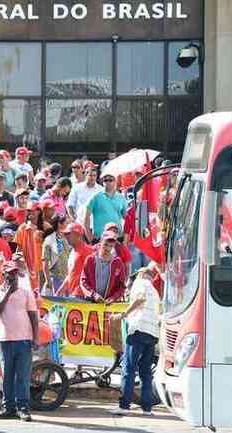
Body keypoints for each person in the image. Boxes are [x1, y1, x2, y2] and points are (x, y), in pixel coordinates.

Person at [0, 261, 39, 422]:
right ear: (3, 275)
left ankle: (23, 408)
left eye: (15, 273)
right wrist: (8, 293)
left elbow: (33, 315)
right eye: (10, 273)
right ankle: (8, 407)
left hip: (24, 339)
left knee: (23, 376)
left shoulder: (26, 292)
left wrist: (36, 337)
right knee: (8, 375)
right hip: (5, 339)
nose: (14, 276)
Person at [110, 268, 160, 416]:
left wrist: (123, 314)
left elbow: (140, 299)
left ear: (141, 274)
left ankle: (124, 406)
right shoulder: (155, 292)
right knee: (145, 372)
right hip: (152, 333)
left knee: (129, 368)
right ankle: (147, 408)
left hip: (138, 329)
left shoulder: (140, 283)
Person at [80, 230, 127, 303]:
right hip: (90, 303)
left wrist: (113, 298)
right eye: (105, 244)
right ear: (100, 242)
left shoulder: (118, 262)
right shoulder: (90, 259)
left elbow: (122, 286)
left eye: (111, 246)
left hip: (110, 306)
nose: (108, 248)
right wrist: (93, 295)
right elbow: (83, 281)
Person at [85, 172, 127, 242]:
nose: (107, 182)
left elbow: (126, 218)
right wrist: (90, 238)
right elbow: (86, 218)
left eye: (110, 180)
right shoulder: (95, 197)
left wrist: (125, 237)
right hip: (100, 238)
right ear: (102, 182)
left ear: (115, 181)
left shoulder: (121, 197)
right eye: (105, 180)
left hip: (117, 237)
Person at [15, 202, 43, 291]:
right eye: (28, 211)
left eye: (32, 210)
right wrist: (18, 265)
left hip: (42, 269)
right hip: (27, 269)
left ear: (39, 211)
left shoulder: (46, 227)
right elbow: (18, 250)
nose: (30, 213)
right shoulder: (22, 228)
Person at [41, 215, 72, 296]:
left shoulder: (64, 238)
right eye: (66, 223)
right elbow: (45, 261)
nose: (68, 225)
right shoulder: (49, 240)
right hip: (55, 278)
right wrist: (48, 280)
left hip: (66, 278)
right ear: (59, 224)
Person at [62, 223, 95, 297]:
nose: (66, 236)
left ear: (78, 234)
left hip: (83, 296)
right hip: (72, 294)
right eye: (65, 234)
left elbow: (94, 273)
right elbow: (70, 274)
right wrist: (60, 291)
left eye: (68, 234)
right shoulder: (72, 252)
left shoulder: (88, 251)